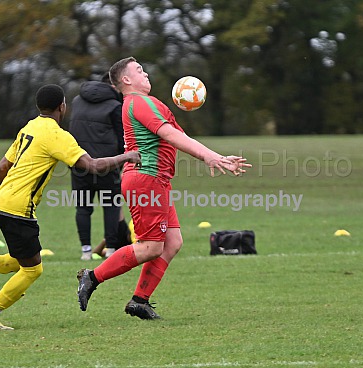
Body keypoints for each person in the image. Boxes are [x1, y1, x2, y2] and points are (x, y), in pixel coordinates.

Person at [0, 84, 140, 330]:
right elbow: (93, 165)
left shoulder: (30, 126)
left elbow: (1, 167)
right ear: (62, 107)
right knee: (33, 270)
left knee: (19, 261)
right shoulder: (56, 135)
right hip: (18, 207)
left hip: (2, 201)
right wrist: (127, 156)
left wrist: (11, 194)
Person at [76, 57, 251, 320]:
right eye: (138, 70)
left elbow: (180, 136)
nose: (145, 73)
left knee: (172, 242)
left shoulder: (145, 103)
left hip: (155, 180)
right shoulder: (138, 102)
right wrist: (210, 157)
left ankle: (139, 301)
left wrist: (215, 156)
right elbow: (171, 135)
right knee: (151, 247)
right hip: (146, 179)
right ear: (125, 80)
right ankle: (91, 277)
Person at [69, 74, 131, 261]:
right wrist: (119, 162)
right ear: (113, 86)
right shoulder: (115, 106)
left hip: (79, 163)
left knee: (83, 208)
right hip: (107, 164)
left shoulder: (77, 101)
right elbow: (123, 139)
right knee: (111, 206)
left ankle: (85, 251)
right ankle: (111, 249)